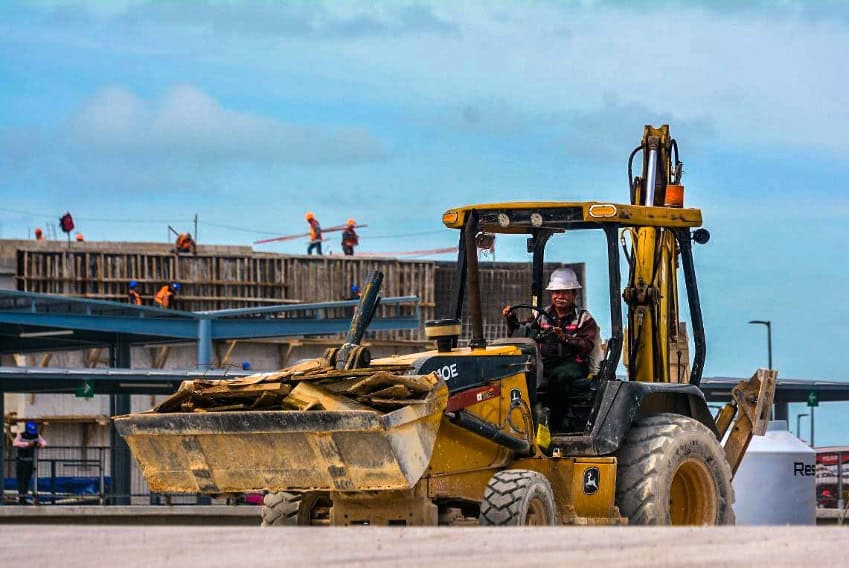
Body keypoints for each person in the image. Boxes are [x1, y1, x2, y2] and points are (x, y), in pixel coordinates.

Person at [503, 267, 599, 427]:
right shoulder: (540, 316)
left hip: (573, 365)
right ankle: (523, 421)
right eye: (557, 292)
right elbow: (523, 332)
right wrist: (511, 319)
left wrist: (565, 338)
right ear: (551, 294)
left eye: (566, 292)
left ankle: (554, 425)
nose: (560, 296)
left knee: (558, 377)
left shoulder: (584, 318)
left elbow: (587, 346)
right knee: (520, 374)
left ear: (574, 294)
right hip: (545, 363)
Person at [13, 421, 47, 504]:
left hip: (30, 461)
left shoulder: (36, 435)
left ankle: (25, 496)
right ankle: (22, 498)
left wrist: (39, 444)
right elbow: (15, 443)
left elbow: (44, 443)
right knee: (21, 480)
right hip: (21, 461)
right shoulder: (22, 435)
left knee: (27, 480)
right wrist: (27, 444)